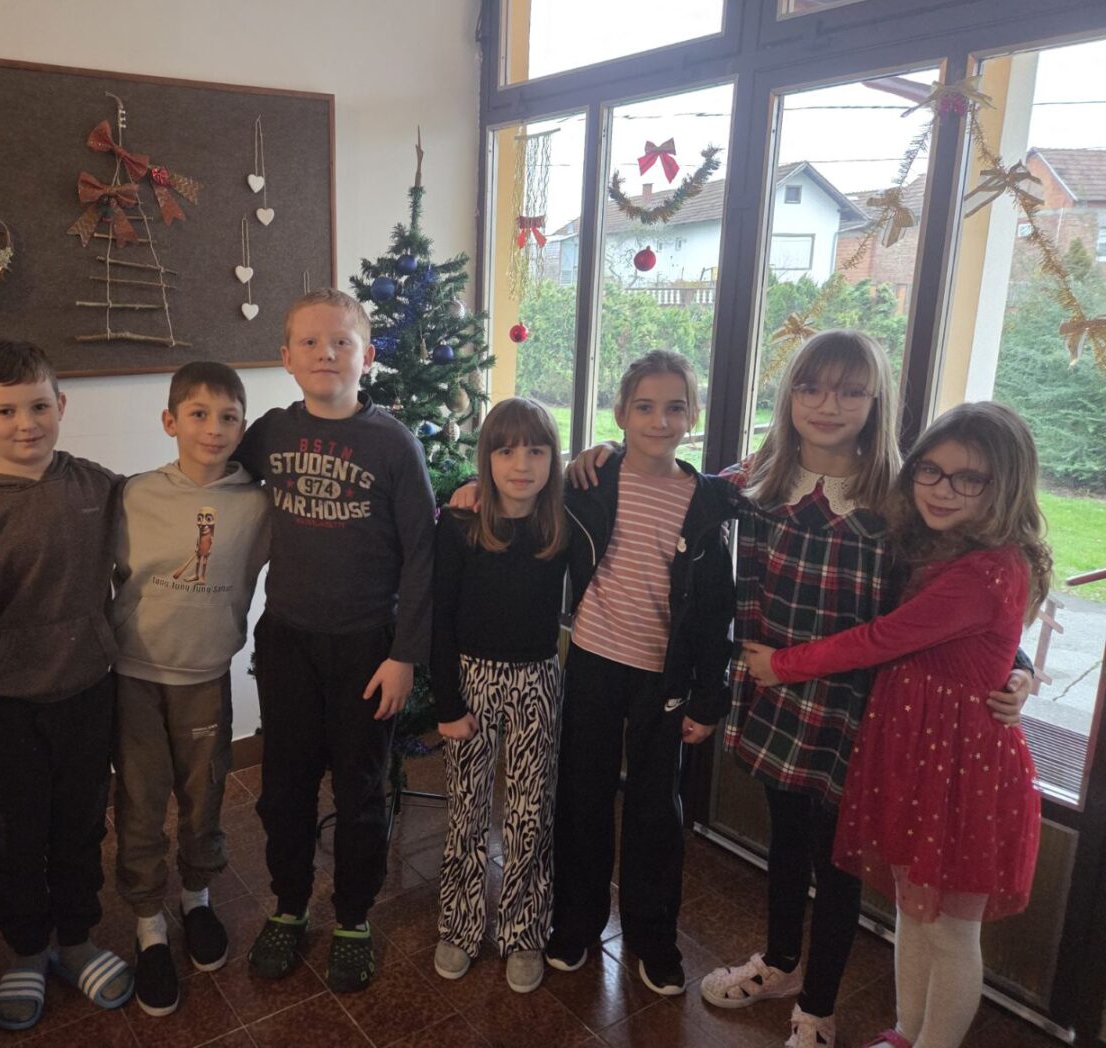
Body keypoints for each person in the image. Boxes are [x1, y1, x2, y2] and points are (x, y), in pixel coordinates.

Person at [564, 332, 1026, 1048]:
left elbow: (957, 595)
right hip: (776, 697)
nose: (828, 405)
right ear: (789, 397)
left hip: (855, 712)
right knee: (785, 843)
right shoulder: (758, 479)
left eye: (850, 391)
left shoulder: (899, 501)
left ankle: (819, 1008)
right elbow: (669, 475)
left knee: (836, 865)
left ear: (876, 401)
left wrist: (1016, 665)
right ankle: (780, 962)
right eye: (811, 387)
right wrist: (601, 452)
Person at [742, 401, 1048, 1048]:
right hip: (918, 751)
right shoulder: (938, 543)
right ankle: (907, 1032)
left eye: (969, 478)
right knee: (916, 912)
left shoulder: (987, 567)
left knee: (949, 931)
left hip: (960, 766)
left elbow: (883, 637)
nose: (942, 489)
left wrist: (781, 666)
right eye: (930, 470)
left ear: (1006, 486)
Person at [447, 351, 738, 995]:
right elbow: (523, 480)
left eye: (675, 408)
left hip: (664, 680)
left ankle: (652, 938)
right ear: (621, 414)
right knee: (581, 798)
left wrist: (709, 696)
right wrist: (473, 488)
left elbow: (718, 608)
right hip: (593, 666)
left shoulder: (706, 503)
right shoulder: (589, 484)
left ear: (693, 415)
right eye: (644, 407)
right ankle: (575, 923)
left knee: (656, 810)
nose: (659, 421)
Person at [235, 287, 435, 993]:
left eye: (341, 342)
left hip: (367, 649)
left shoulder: (394, 444)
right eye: (311, 343)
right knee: (284, 788)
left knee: (361, 790)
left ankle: (352, 916)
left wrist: (404, 655)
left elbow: (422, 555)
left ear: (367, 356)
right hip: (288, 642)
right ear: (286, 358)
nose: (326, 353)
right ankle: (289, 905)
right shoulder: (269, 434)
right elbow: (213, 470)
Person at [0, 339, 132, 1031]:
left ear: (61, 405)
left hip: (87, 693)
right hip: (1, 710)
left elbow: (170, 506)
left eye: (39, 406)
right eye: (6, 411)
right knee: (15, 837)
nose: (26, 423)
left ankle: (76, 939)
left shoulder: (100, 487)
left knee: (81, 826)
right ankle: (24, 949)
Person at [111, 361, 269, 1017]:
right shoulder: (131, 495)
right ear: (169, 421)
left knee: (204, 795)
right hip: (135, 676)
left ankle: (196, 897)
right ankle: (149, 923)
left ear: (243, 426)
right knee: (141, 801)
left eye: (228, 417)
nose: (213, 428)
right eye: (198, 414)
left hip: (206, 676)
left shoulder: (259, 503)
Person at [430, 397, 572, 994]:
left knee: (530, 815)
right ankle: (460, 926)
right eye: (506, 451)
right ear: (486, 458)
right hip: (471, 680)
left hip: (538, 679)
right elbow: (439, 617)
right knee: (466, 812)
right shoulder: (460, 525)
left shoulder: (562, 525)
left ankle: (523, 931)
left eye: (536, 451)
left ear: (552, 459)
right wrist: (446, 705)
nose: (521, 464)